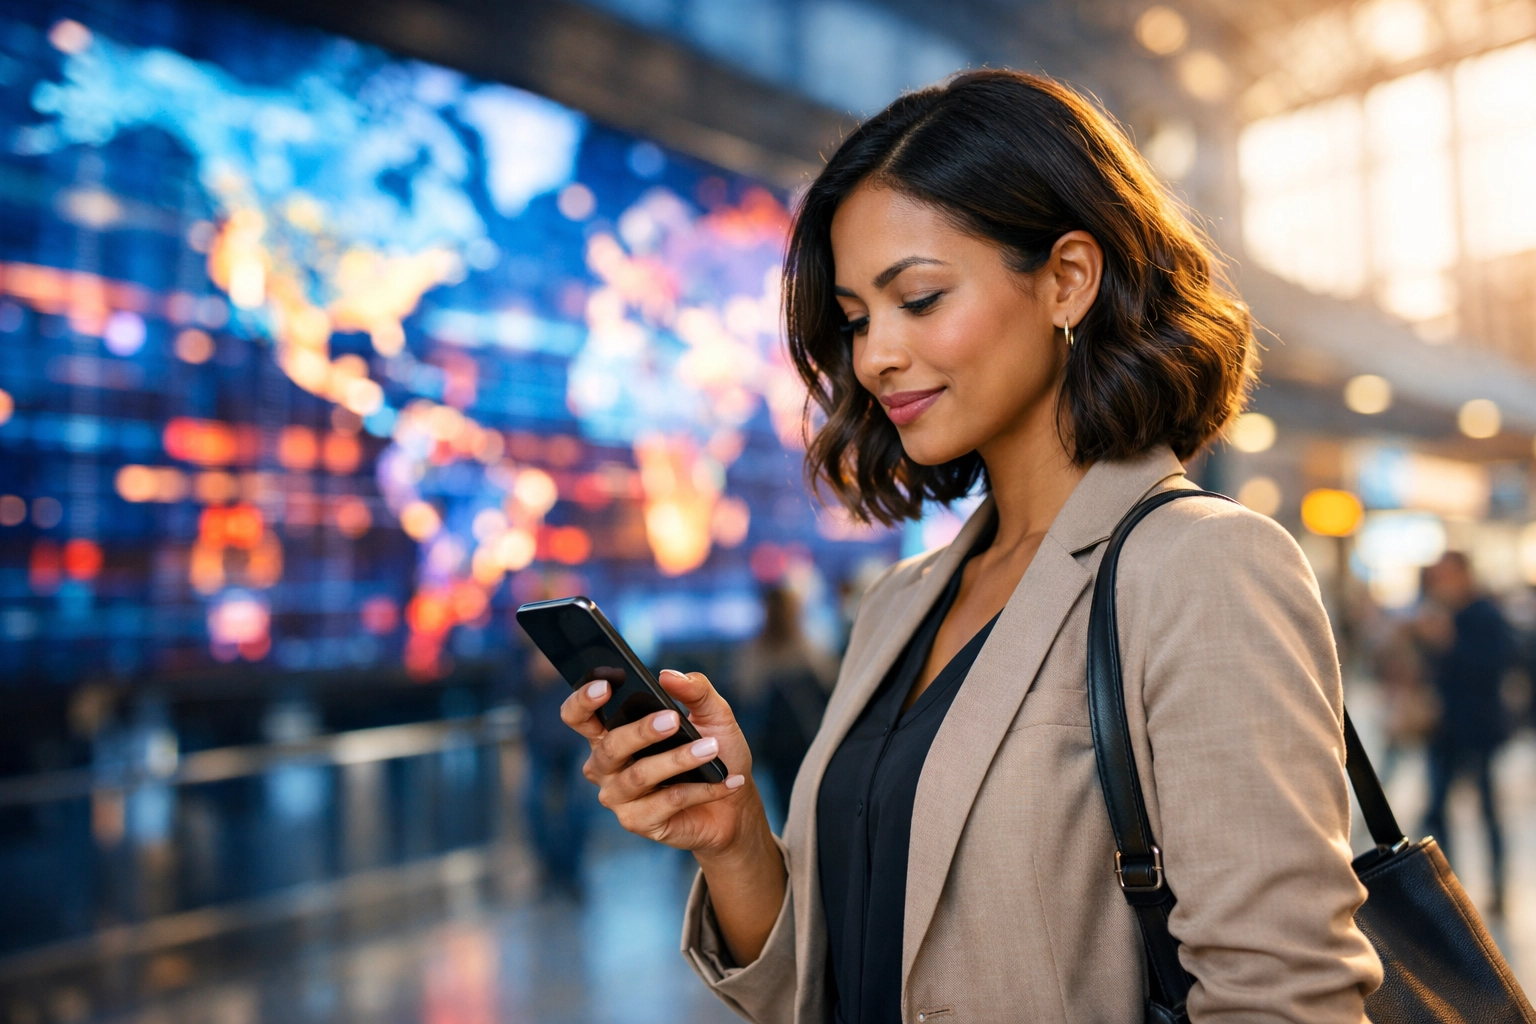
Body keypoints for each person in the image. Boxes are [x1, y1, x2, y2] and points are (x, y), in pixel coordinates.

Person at [561, 70, 1382, 1022]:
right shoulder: (900, 604)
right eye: (857, 319)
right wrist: (735, 837)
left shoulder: (1202, 569)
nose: (873, 356)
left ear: (1067, 280)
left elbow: (1283, 999)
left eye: (918, 299)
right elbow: (839, 983)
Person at [1417, 551, 1515, 916]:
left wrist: (1449, 642)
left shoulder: (1485, 614)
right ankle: (1447, 888)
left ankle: (1498, 885)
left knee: (1487, 810)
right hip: (1442, 728)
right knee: (1437, 809)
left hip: (1477, 727)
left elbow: (1495, 665)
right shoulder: (1436, 612)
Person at [734, 586, 836, 824]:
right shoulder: (806, 647)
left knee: (790, 807)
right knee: (800, 805)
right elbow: (831, 683)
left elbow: (745, 693)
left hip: (784, 746)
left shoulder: (759, 651)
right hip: (797, 743)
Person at [518, 645, 591, 899]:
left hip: (573, 739)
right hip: (540, 740)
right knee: (534, 806)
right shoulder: (522, 651)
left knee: (576, 809)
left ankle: (571, 872)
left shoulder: (576, 646)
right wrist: (533, 674)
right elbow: (505, 687)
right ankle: (549, 871)